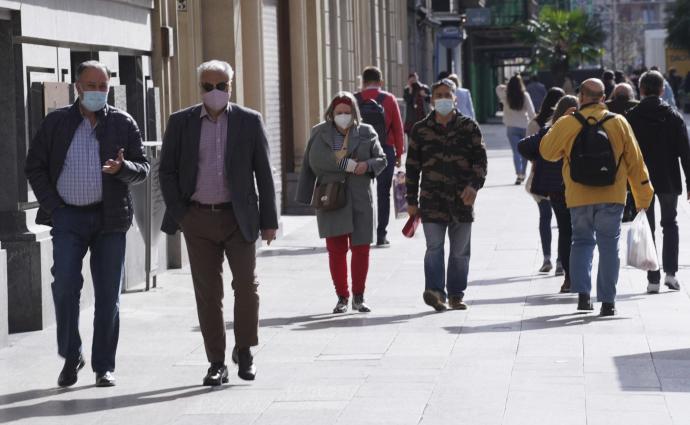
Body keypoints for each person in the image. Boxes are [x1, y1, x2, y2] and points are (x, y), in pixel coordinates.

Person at [24, 60, 150, 387]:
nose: (97, 92)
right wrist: (54, 207)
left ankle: (103, 366)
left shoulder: (123, 123)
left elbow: (143, 168)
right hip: (68, 217)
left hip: (110, 218)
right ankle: (71, 354)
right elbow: (34, 166)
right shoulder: (56, 123)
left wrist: (122, 169)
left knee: (108, 296)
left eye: (103, 86)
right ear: (77, 87)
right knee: (65, 286)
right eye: (91, 85)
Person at [159, 60, 278, 386]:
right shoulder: (180, 122)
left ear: (231, 87)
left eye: (221, 86)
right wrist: (182, 213)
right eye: (208, 86)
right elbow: (166, 171)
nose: (215, 92)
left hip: (239, 218)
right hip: (197, 218)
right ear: (200, 88)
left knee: (246, 287)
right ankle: (216, 362)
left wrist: (269, 221)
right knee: (208, 294)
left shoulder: (249, 121)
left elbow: (264, 174)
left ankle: (245, 349)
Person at [540, 78, 654, 316]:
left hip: (578, 196)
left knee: (581, 242)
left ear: (581, 97)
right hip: (612, 194)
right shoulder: (619, 122)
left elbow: (547, 152)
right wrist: (644, 196)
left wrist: (562, 121)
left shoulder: (568, 123)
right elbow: (635, 161)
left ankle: (583, 296)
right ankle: (608, 302)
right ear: (604, 98)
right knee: (609, 246)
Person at [295, 92, 387, 313]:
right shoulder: (320, 132)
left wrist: (367, 165)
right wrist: (347, 165)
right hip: (331, 197)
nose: (343, 116)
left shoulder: (366, 132)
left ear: (354, 113)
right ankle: (342, 297)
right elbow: (316, 161)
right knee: (336, 249)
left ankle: (358, 296)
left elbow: (382, 159)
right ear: (331, 113)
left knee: (361, 248)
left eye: (347, 112)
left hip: (359, 197)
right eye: (339, 112)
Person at [406, 79, 488, 311]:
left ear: (455, 98)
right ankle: (435, 292)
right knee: (434, 248)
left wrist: (474, 186)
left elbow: (480, 161)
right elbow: (412, 167)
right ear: (432, 99)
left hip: (462, 200)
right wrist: (410, 201)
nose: (442, 98)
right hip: (431, 200)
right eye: (438, 95)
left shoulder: (469, 127)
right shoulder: (420, 129)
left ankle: (455, 294)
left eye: (447, 94)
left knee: (460, 252)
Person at [626, 70, 690, 294]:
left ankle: (652, 278)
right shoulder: (673, 116)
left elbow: (624, 153)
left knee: (648, 226)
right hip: (669, 178)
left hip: (641, 181)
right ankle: (671, 274)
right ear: (662, 89)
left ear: (640, 90)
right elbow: (686, 153)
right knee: (670, 223)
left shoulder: (631, 117)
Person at [519, 95, 579, 293]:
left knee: (565, 229)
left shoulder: (550, 131)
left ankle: (569, 276)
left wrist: (539, 158)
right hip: (577, 188)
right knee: (578, 232)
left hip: (556, 189)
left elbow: (523, 146)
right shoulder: (581, 129)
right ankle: (574, 275)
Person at [355, 66, 404, 247]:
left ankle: (361, 234)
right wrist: (399, 154)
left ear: (363, 82)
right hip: (385, 150)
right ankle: (381, 234)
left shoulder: (355, 99)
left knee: (360, 194)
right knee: (383, 194)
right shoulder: (388, 99)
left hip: (359, 152)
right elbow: (398, 129)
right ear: (380, 82)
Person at [525, 87, 566, 275]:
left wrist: (537, 160)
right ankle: (560, 260)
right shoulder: (565, 124)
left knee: (545, 217)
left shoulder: (535, 123)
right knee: (563, 221)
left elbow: (528, 147)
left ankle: (546, 258)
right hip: (560, 179)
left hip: (539, 177)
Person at [496, 75, 536, 184]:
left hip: (511, 128)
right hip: (525, 126)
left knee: (516, 152)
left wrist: (508, 86)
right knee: (524, 151)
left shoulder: (505, 95)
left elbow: (498, 88)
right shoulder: (525, 95)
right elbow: (532, 112)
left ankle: (519, 175)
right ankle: (523, 173)